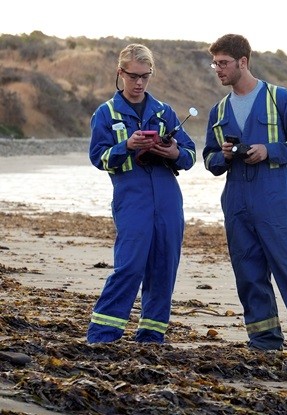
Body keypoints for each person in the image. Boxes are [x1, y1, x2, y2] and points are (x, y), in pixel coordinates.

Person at [202, 34, 287, 351]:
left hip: (275, 198)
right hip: (236, 201)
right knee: (248, 274)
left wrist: (269, 150)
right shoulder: (218, 111)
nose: (218, 69)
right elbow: (208, 159)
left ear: (243, 62)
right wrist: (225, 156)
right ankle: (264, 341)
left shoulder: (280, 98)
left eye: (223, 63)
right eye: (215, 64)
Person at [87, 43, 196, 344]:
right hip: (131, 198)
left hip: (168, 198)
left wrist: (173, 152)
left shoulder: (164, 111)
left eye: (145, 76)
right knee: (130, 266)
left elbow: (189, 155)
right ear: (120, 73)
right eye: (133, 76)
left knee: (164, 267)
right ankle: (102, 335)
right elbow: (98, 158)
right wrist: (127, 146)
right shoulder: (106, 113)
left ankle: (151, 337)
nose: (139, 83)